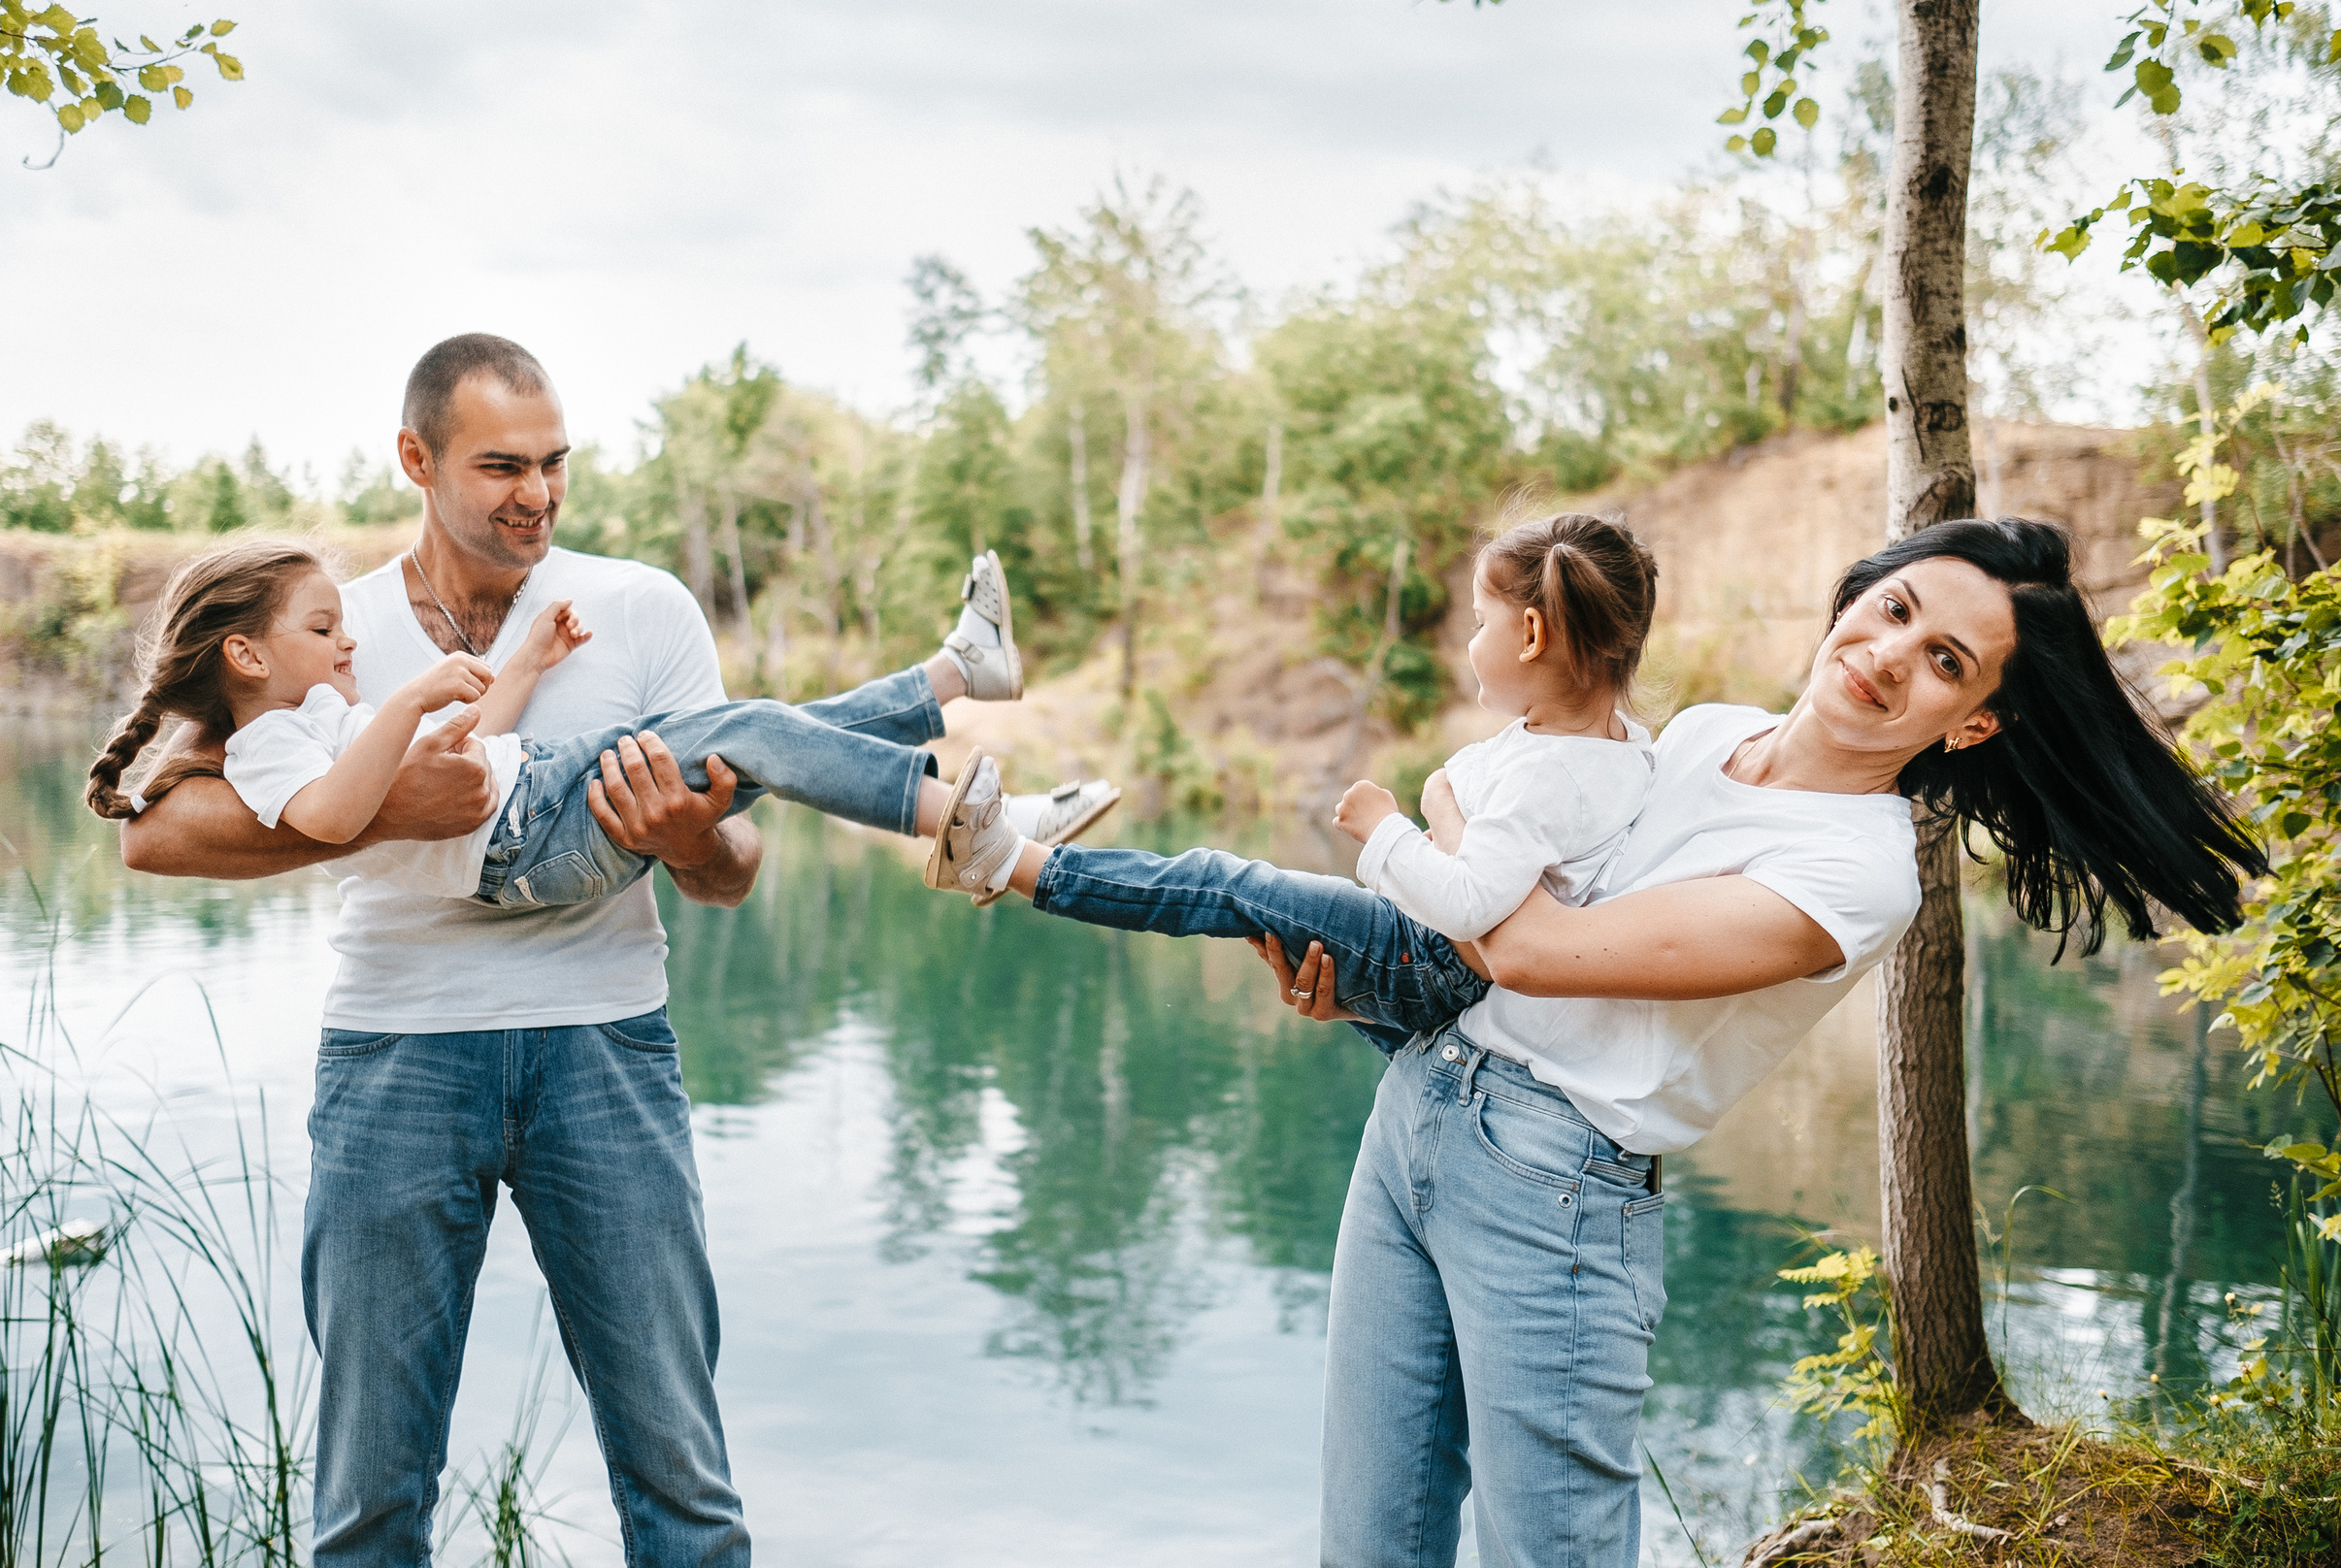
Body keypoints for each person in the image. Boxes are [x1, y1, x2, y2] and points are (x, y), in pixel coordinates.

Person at [109, 332, 1089, 1567]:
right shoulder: (324, 627)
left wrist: (688, 839)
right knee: (368, 1500)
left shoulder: (636, 606)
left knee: (680, 1480)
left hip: (604, 1050)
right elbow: (157, 832)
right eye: (501, 465)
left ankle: (962, 739)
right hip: (399, 1058)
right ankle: (961, 740)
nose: (538, 493)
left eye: (555, 463)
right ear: (415, 459)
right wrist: (390, 806)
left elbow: (732, 871)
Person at [1252, 517, 2266, 1568]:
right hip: (1423, 1112)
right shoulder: (1694, 736)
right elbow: (1522, 933)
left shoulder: (1857, 876)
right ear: (1851, 600)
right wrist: (1384, 991)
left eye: (1943, 663)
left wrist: (1417, 820)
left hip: (1554, 1193)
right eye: (1895, 609)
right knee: (1369, 1537)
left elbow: (1535, 949)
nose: (1886, 657)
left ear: (1972, 726)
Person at [913, 513, 1662, 1049]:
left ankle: (1002, 858)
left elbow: (1470, 904)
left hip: (1423, 954)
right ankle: (1010, 858)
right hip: (1434, 964)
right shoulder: (1623, 751)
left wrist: (1387, 825)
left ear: (1530, 635)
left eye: (1477, 622)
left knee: (1223, 883)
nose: (1467, 644)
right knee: (1236, 897)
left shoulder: (1546, 773)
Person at [85, 539, 1119, 910]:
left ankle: (955, 676)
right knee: (749, 727)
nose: (348, 635)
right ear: (246, 655)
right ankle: (978, 831)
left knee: (751, 730)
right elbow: (326, 818)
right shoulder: (269, 744)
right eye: (324, 627)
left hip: (541, 793)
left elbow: (473, 751)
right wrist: (398, 707)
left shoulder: (312, 706)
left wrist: (522, 663)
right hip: (533, 845)